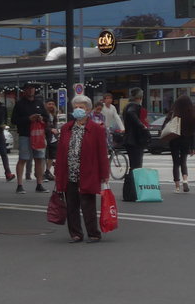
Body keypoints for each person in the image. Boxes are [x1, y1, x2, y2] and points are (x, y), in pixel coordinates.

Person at [55, 94, 110, 243]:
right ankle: (76, 233)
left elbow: (102, 153)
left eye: (81, 107)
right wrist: (58, 174)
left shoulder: (96, 129)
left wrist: (105, 174)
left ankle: (93, 233)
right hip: (69, 172)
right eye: (76, 107)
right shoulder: (66, 128)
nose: (78, 110)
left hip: (88, 172)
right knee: (71, 205)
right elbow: (60, 153)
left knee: (88, 204)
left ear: (88, 110)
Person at [11, 83, 47, 193]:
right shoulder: (19, 104)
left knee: (39, 159)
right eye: (29, 88)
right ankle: (20, 185)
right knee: (23, 158)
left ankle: (39, 183)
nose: (31, 90)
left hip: (38, 135)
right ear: (25, 90)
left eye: (33, 88)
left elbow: (46, 117)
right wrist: (28, 119)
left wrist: (41, 118)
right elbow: (14, 120)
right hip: (25, 134)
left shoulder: (39, 103)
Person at [122, 87, 151, 200]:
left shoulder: (127, 106)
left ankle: (129, 191)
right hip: (135, 140)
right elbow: (132, 114)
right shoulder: (134, 106)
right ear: (139, 98)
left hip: (130, 139)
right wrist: (142, 125)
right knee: (136, 166)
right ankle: (132, 192)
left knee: (133, 166)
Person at [163, 94, 195, 192]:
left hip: (174, 139)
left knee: (176, 163)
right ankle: (185, 180)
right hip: (186, 140)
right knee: (183, 161)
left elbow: (165, 124)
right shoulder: (191, 114)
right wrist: (193, 147)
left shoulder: (173, 112)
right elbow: (194, 132)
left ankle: (177, 187)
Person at [43, 99, 59, 181]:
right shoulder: (44, 114)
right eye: (49, 104)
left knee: (52, 156)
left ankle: (47, 171)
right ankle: (43, 173)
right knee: (45, 156)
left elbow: (55, 125)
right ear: (46, 105)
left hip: (53, 138)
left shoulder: (54, 114)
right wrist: (51, 130)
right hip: (46, 137)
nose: (51, 105)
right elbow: (43, 126)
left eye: (53, 104)